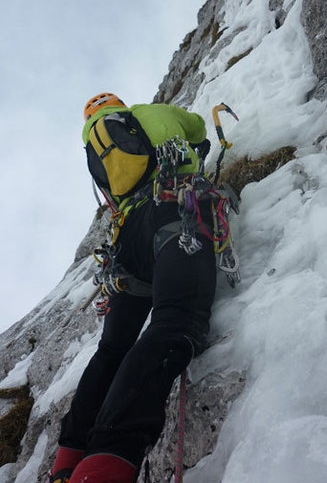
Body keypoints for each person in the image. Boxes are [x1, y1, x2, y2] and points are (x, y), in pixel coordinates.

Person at [49, 93, 217, 483]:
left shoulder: (96, 152)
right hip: (172, 214)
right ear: (119, 107)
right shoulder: (148, 114)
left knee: (110, 350)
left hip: (126, 249)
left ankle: (68, 462)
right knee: (175, 322)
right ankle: (106, 465)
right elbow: (197, 127)